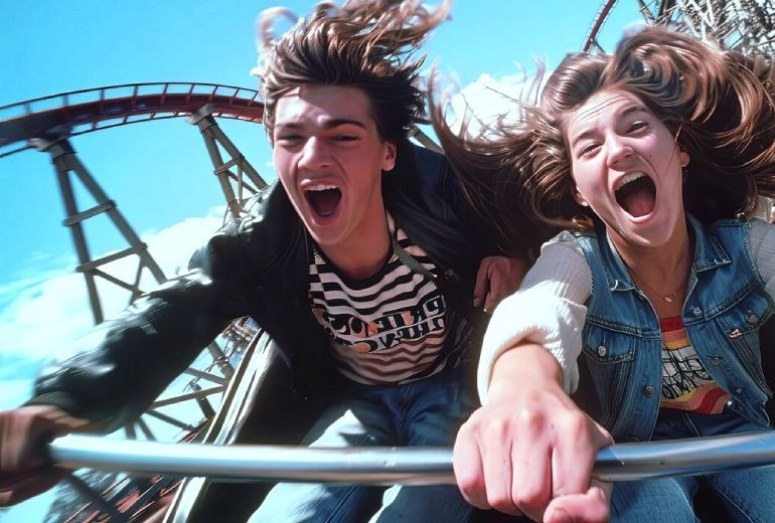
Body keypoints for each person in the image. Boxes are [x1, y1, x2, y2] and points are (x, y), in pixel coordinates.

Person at [0, 1, 530, 520]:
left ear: (388, 152)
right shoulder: (259, 236)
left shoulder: (443, 194)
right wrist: (67, 400)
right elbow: (175, 307)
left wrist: (513, 252)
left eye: (343, 136)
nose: (313, 158)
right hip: (353, 398)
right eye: (291, 138)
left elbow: (536, 212)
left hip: (450, 383)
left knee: (426, 505)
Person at [432, 26, 775, 522]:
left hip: (742, 433)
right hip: (636, 450)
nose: (616, 151)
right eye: (589, 148)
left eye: (635, 127)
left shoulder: (747, 243)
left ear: (678, 149)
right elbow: (539, 307)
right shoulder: (576, 258)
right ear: (577, 189)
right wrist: (523, 389)